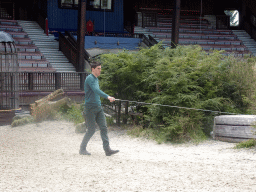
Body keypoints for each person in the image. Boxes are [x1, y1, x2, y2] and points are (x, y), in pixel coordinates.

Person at [79, 61, 119, 156]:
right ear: (93, 69)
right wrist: (108, 96)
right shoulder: (90, 78)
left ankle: (107, 150)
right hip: (90, 108)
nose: (100, 70)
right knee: (91, 130)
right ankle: (82, 149)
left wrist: (106, 97)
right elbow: (96, 90)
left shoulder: (96, 79)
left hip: (98, 107)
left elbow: (97, 92)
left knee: (104, 128)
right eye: (98, 68)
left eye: (100, 68)